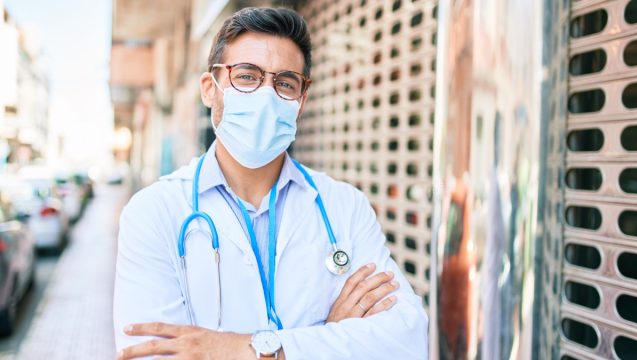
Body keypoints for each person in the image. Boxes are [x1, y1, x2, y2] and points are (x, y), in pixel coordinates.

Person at [113, 7, 428, 360]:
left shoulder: (345, 206)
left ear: (301, 101)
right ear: (209, 89)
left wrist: (244, 349)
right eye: (246, 76)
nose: (266, 94)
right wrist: (328, 335)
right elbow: (149, 354)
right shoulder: (153, 213)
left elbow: (407, 339)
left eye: (285, 83)